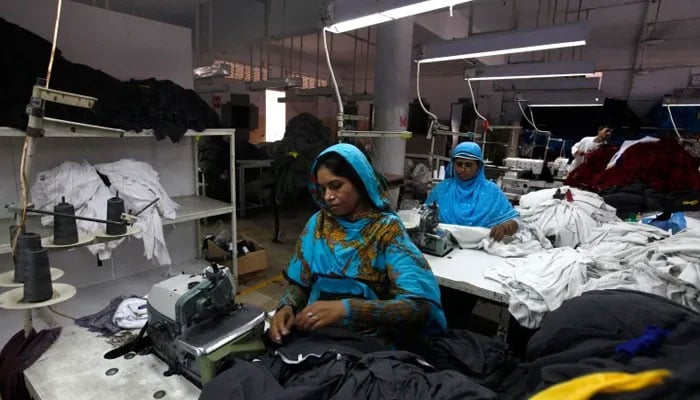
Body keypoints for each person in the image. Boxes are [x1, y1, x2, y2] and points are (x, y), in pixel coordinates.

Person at [268, 143, 447, 344]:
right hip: (316, 335)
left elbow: (418, 306)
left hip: (368, 343)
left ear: (360, 182)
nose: (327, 196)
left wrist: (347, 309)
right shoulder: (317, 225)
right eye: (322, 188)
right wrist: (287, 306)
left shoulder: (386, 230)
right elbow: (301, 283)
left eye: (336, 186)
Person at [425, 142, 519, 241]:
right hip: (444, 244)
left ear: (478, 166)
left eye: (468, 165)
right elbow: (424, 214)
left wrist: (505, 227)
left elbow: (515, 221)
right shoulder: (442, 188)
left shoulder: (491, 191)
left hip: (481, 246)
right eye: (459, 164)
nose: (462, 169)